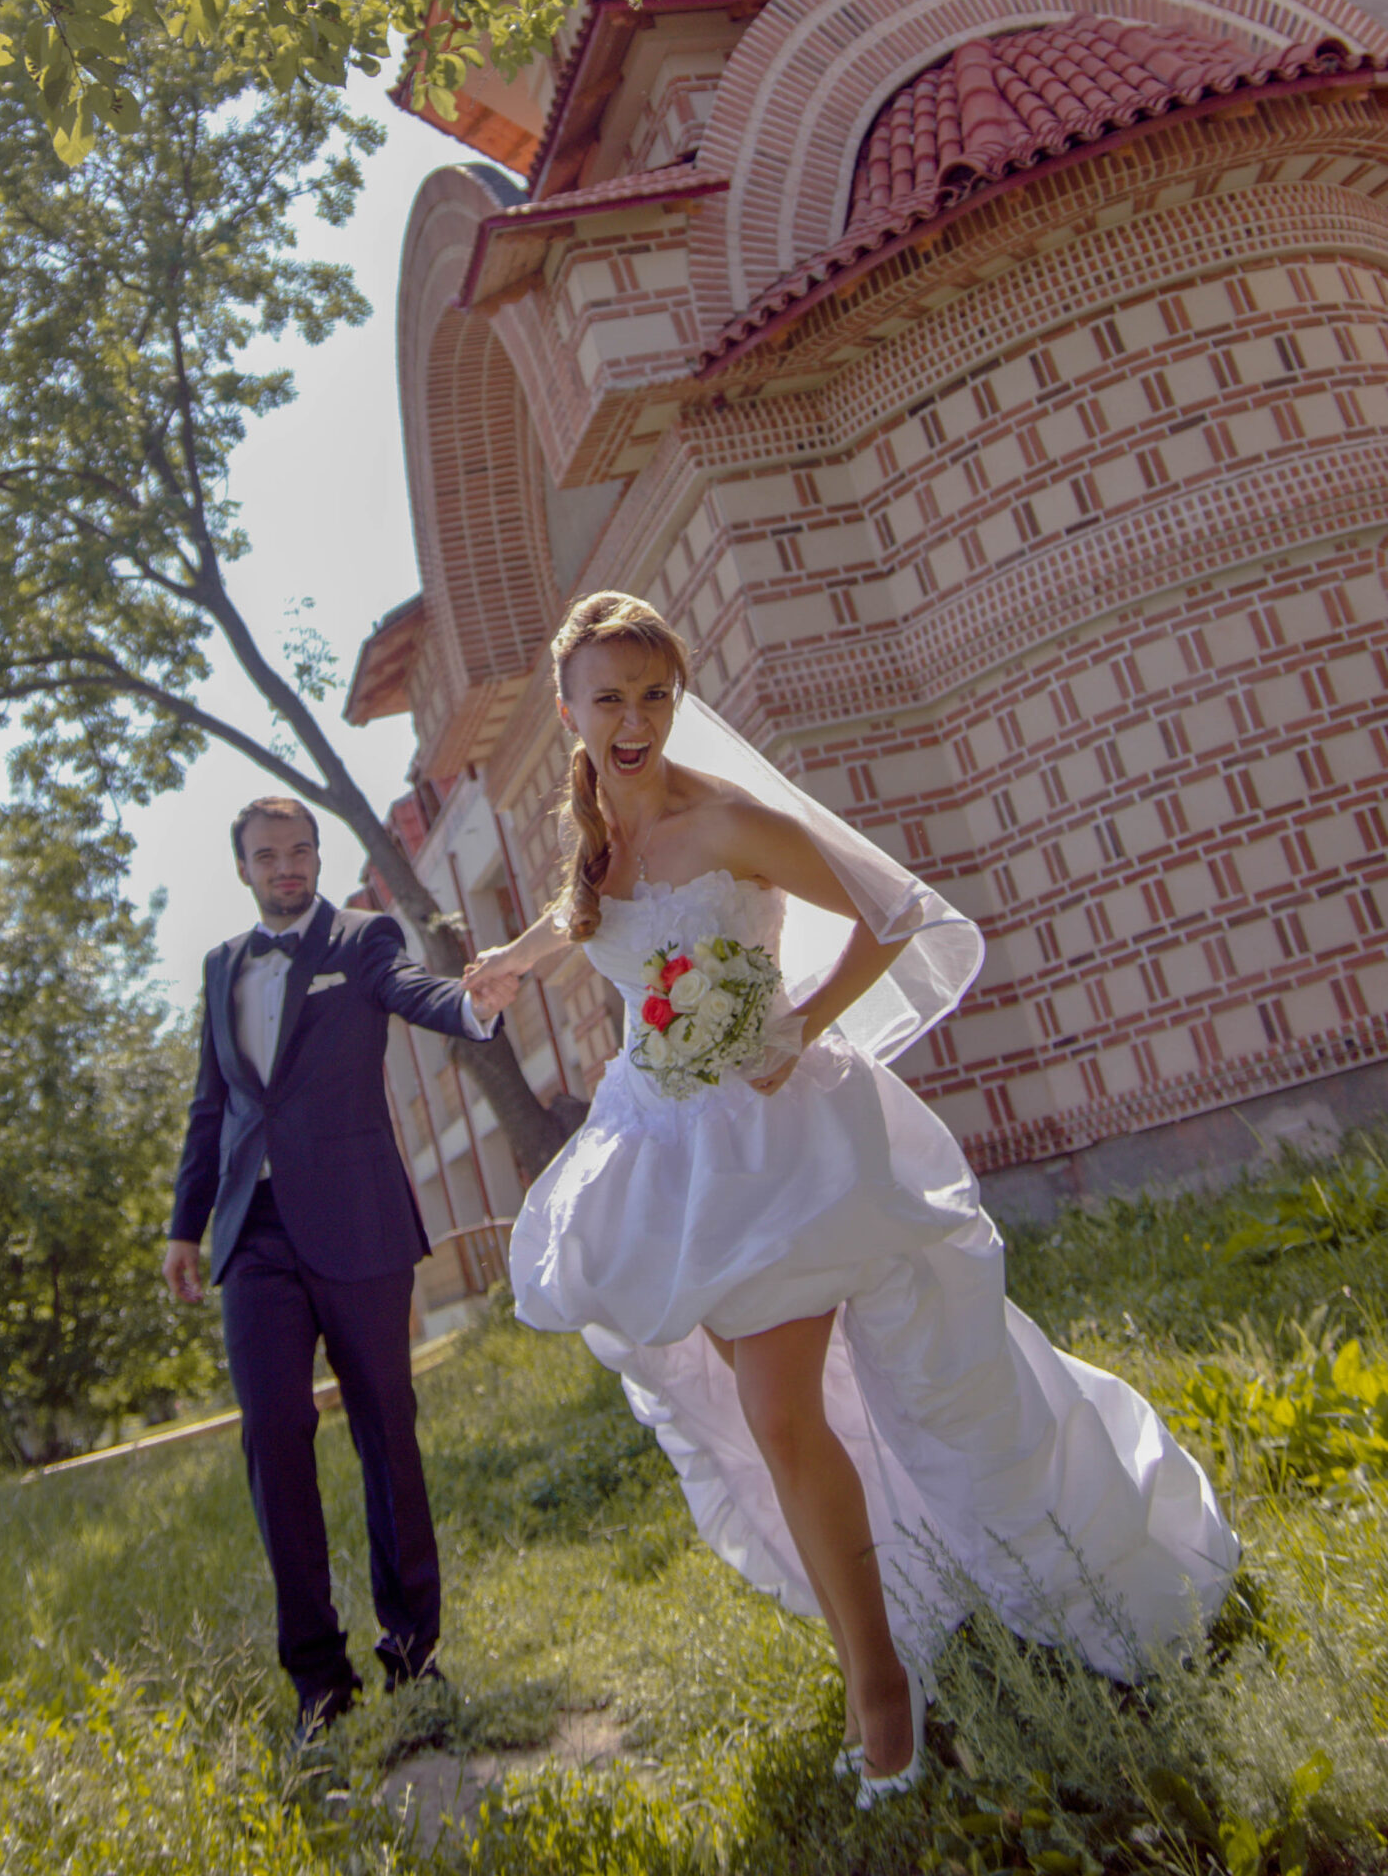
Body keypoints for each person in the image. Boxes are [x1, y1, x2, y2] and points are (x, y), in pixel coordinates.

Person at [466, 592, 1237, 1809]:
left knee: (778, 1414)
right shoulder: (598, 840)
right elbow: (590, 921)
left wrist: (797, 1027)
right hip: (673, 1157)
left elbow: (893, 912)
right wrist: (514, 961)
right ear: (569, 711)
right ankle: (892, 1627)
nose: (635, 719)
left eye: (656, 694)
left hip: (779, 1147)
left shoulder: (731, 821)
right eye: (609, 698)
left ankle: (883, 1695)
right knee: (795, 1415)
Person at [164, 794, 505, 1739]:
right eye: (268, 855)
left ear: (316, 857)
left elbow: (412, 989)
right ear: (242, 869)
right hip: (254, 1235)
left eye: (301, 850)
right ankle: (318, 1679)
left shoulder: (361, 940)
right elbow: (211, 1105)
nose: (287, 867)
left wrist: (471, 1004)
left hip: (357, 1221)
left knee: (385, 1434)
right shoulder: (222, 967)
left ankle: (413, 1653)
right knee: (273, 1438)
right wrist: (185, 1226)